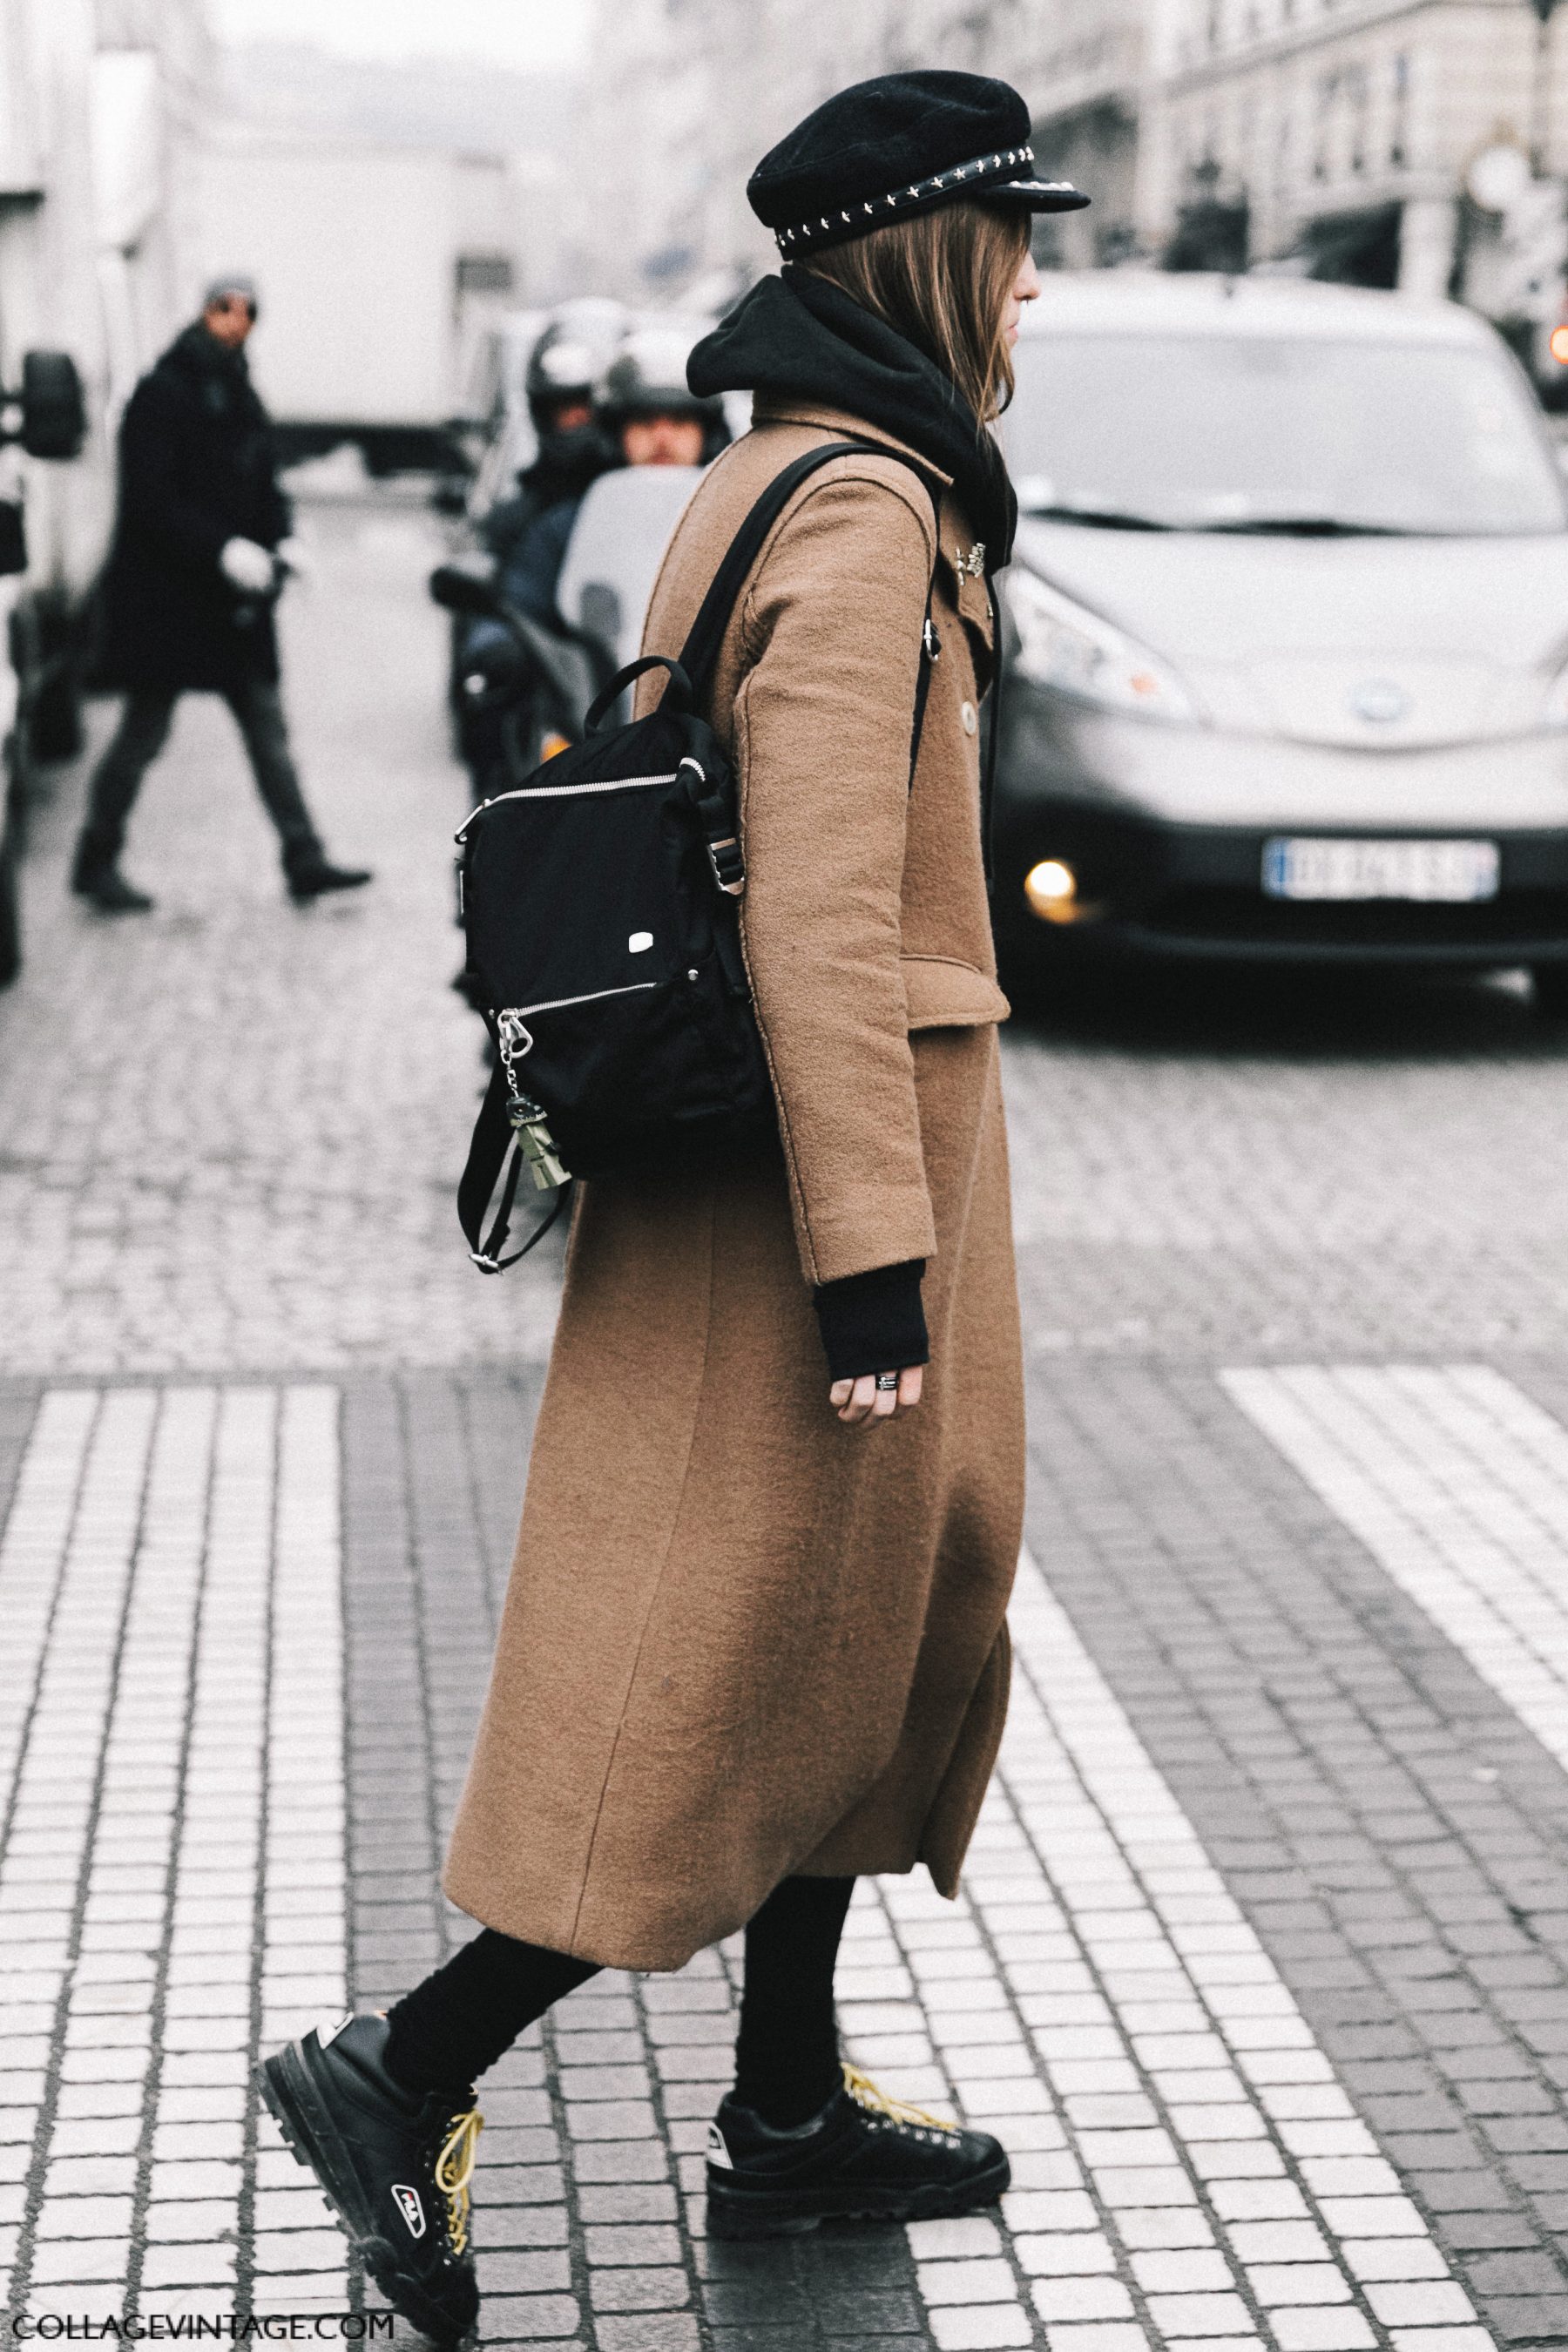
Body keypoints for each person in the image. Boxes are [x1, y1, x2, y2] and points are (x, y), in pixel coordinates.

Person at [259, 71, 1089, 2342]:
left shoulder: (767, 470)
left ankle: (791, 2101)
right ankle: (398, 2065)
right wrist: (871, 1266)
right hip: (823, 1174)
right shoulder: (859, 515)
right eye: (1017, 235)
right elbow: (820, 915)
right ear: (931, 253)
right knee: (735, 1664)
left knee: (872, 1621)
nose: (1040, 274)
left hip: (817, 1149)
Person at [71, 278, 370, 914]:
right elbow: (150, 503)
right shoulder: (160, 394)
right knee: (144, 733)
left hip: (235, 606)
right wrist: (222, 549)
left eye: (247, 312)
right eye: (224, 309)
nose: (236, 322)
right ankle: (95, 859)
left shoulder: (240, 392)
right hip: (172, 602)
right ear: (204, 313)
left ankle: (304, 857)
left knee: (267, 729)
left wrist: (284, 539)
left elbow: (263, 483)